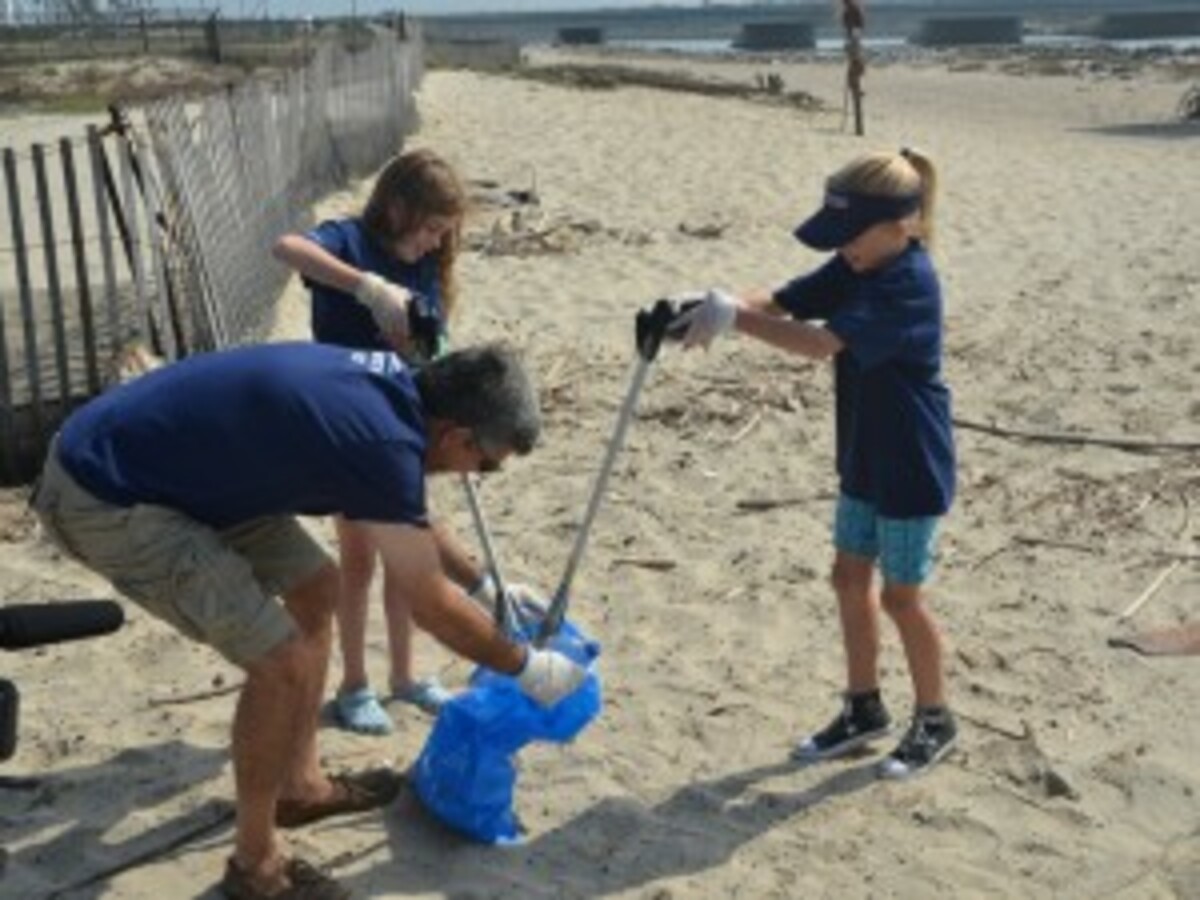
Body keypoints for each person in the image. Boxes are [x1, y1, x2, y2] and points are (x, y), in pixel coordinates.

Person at [30, 341, 587, 900]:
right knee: (279, 661)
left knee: (318, 587)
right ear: (457, 436)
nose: (480, 473)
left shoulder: (394, 393)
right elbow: (428, 604)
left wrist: (486, 587)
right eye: (486, 464)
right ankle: (255, 867)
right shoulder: (378, 436)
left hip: (174, 473)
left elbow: (409, 513)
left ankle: (299, 786)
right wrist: (527, 667)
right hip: (105, 492)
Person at [674, 148, 957, 780]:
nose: (844, 250)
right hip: (863, 450)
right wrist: (708, 306)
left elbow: (820, 344)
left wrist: (736, 321)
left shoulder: (907, 281)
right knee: (847, 578)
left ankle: (936, 718)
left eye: (851, 236)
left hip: (911, 458)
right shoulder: (859, 262)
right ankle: (863, 709)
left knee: (902, 598)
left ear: (902, 224)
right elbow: (782, 301)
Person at [273, 148, 468, 734]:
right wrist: (367, 288)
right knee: (357, 559)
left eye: (444, 233)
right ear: (398, 207)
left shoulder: (429, 261)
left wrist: (428, 347)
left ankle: (405, 677)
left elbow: (431, 338)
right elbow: (286, 248)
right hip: (346, 428)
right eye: (431, 228)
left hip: (401, 426)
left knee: (409, 556)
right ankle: (355, 684)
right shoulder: (351, 240)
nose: (435, 242)